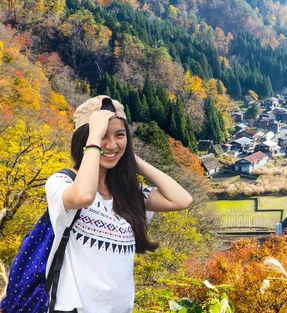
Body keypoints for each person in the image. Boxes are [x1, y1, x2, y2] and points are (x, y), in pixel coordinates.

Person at [45, 95, 193, 313]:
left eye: (119, 135)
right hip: (74, 307)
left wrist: (131, 159)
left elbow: (182, 199)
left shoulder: (129, 193)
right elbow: (84, 196)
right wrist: (94, 137)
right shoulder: (62, 182)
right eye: (102, 136)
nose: (111, 144)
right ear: (84, 140)